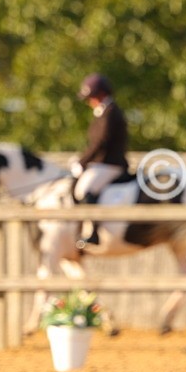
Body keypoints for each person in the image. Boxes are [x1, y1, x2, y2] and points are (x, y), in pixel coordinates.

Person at [71, 73, 129, 249]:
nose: (90, 102)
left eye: (92, 97)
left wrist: (82, 162)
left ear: (101, 94)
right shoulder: (102, 112)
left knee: (85, 189)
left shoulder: (111, 112)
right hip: (101, 164)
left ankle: (93, 233)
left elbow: (100, 142)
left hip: (111, 164)